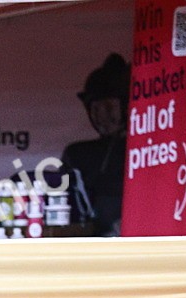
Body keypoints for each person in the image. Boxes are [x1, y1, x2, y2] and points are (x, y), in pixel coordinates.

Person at [61, 53, 130, 236]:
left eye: (109, 107)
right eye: (95, 109)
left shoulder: (147, 153)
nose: (101, 116)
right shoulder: (77, 154)